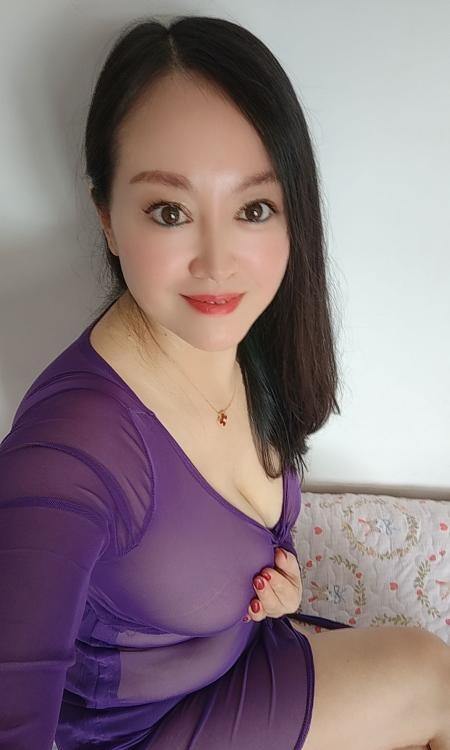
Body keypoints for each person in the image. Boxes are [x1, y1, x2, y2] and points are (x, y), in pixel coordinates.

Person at [0, 14, 449, 750]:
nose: (218, 263)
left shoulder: (247, 344)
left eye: (253, 209)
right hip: (128, 736)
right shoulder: (66, 453)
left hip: (230, 674)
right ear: (107, 218)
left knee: (433, 675)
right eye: (170, 211)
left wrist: (278, 584)